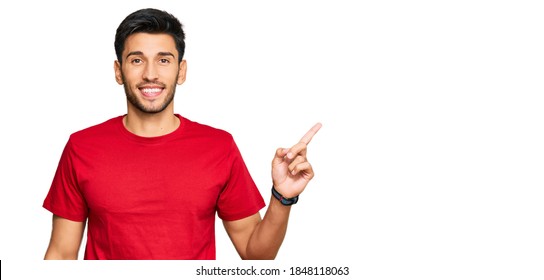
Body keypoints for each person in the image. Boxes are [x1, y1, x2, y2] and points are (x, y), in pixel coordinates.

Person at [42, 8, 321, 260]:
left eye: (164, 60)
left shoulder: (218, 147)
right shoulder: (82, 146)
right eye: (137, 60)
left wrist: (282, 198)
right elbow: (61, 254)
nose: (151, 74)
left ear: (181, 71)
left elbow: (255, 254)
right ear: (119, 71)